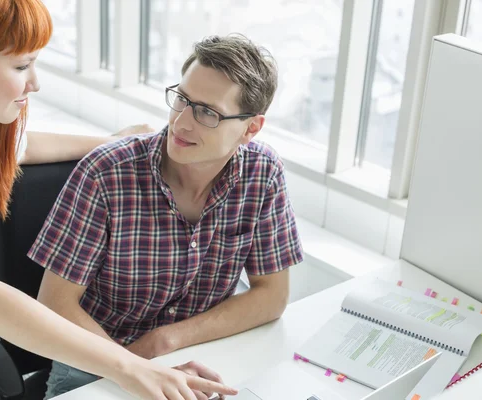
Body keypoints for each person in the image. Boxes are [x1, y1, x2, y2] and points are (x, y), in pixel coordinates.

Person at [0, 1, 237, 400]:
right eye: (21, 67)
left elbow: (21, 146)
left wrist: (108, 143)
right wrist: (131, 368)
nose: (34, 83)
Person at [30, 33, 304, 398]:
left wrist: (165, 340)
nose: (182, 123)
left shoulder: (262, 173)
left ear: (250, 128)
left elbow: (271, 296)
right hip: (96, 365)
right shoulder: (106, 173)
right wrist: (138, 366)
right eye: (182, 100)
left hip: (198, 357)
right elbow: (54, 304)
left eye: (207, 112)